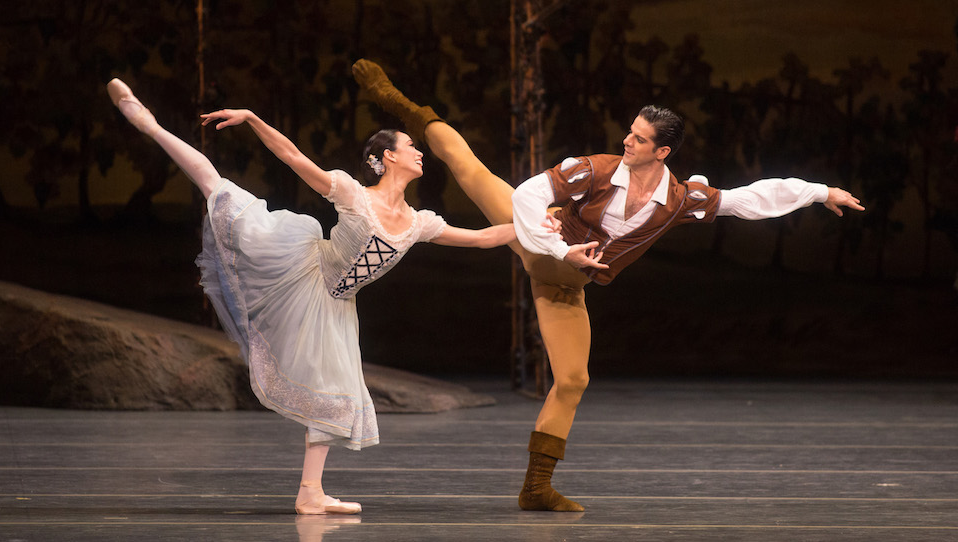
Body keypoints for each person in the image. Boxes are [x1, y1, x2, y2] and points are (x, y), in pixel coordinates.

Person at [350, 59, 865, 512]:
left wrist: (821, 193)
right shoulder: (593, 170)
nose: (627, 140)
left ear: (661, 152)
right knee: (465, 164)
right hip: (539, 241)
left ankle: (536, 488)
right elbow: (530, 196)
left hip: (565, 288)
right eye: (630, 131)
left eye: (639, 138)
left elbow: (751, 199)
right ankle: (396, 100)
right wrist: (556, 246)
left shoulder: (682, 199)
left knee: (574, 380)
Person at [106, 78, 517, 515]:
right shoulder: (354, 195)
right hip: (303, 273)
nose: (420, 152)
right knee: (220, 189)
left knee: (335, 396)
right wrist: (251, 118)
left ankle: (310, 494)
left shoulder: (418, 223)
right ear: (387, 156)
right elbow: (292, 156)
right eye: (411, 145)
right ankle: (149, 125)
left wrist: (550, 234)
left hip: (336, 308)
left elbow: (484, 238)